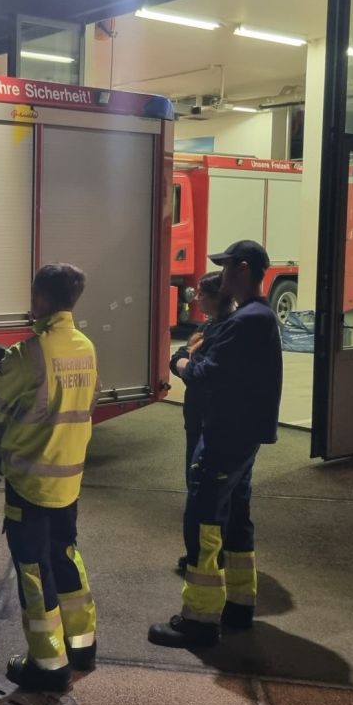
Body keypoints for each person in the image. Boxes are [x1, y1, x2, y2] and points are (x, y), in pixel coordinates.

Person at [149, 240, 282, 648]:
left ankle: (200, 621)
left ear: (242, 269)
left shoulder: (246, 321)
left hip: (225, 435)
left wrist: (181, 363)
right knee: (237, 517)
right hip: (240, 437)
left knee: (204, 522)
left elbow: (204, 372)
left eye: (225, 268)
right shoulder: (256, 317)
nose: (221, 276)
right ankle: (239, 605)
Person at [0, 263, 99, 692]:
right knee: (66, 554)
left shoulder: (27, 353)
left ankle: (48, 665)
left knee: (34, 570)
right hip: (69, 478)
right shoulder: (86, 346)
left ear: (42, 299)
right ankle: (82, 645)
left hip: (30, 482)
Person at [169, 272, 236, 571]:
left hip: (212, 421)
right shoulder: (207, 327)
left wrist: (186, 363)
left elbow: (197, 370)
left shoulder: (226, 331)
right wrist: (185, 362)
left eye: (202, 294)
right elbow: (179, 357)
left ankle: (205, 558)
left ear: (218, 296)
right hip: (196, 419)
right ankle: (201, 553)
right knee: (194, 484)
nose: (197, 299)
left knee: (204, 492)